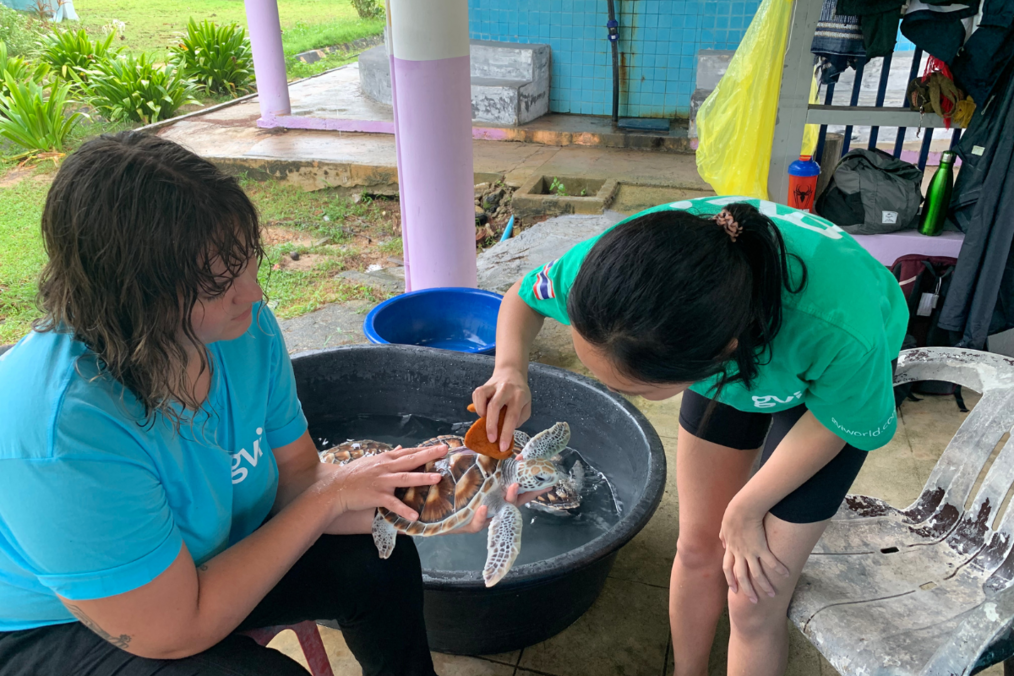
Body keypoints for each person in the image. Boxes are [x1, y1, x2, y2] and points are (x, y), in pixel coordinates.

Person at [0, 132, 533, 676]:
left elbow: (298, 477)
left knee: (381, 556)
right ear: (134, 300)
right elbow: (176, 627)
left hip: (207, 563)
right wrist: (330, 499)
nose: (253, 294)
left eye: (245, 261)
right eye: (218, 285)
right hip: (67, 619)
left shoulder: (242, 333)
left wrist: (430, 505)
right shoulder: (60, 428)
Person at [472, 197, 908, 676]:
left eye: (629, 389)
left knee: (753, 599)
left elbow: (837, 426)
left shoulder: (842, 330)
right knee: (700, 548)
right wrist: (511, 369)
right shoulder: (606, 280)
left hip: (827, 384)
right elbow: (522, 296)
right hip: (708, 332)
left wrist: (747, 507)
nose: (615, 392)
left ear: (717, 359)